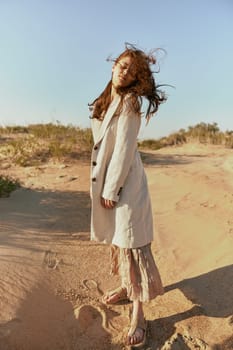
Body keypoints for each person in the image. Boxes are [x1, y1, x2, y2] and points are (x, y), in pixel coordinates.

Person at [89, 43, 166, 347]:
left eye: (131, 71)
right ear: (113, 65)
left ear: (137, 78)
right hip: (110, 179)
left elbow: (123, 149)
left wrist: (111, 188)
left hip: (125, 184)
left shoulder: (130, 102)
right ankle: (126, 286)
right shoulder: (109, 98)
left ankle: (139, 313)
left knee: (133, 244)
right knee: (121, 241)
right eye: (122, 66)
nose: (124, 72)